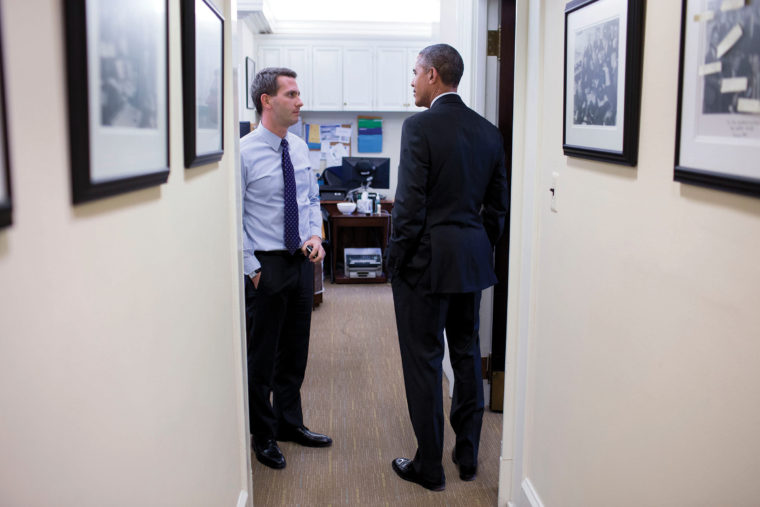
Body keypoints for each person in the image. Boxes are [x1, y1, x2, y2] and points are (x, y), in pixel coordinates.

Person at [385, 44, 508, 491]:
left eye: (415, 72)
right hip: (470, 264)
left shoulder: (419, 127)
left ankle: (430, 468)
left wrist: (394, 262)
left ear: (433, 75)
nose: (412, 81)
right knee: (467, 355)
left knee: (423, 363)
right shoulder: (489, 132)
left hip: (423, 267)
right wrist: (476, 246)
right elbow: (497, 208)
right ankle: (468, 454)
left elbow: (410, 207)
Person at [241, 67, 332, 470]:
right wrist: (252, 268)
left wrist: (316, 236)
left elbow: (311, 200)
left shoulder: (298, 147)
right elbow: (234, 216)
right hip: (266, 265)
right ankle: (262, 434)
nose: (299, 101)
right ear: (267, 100)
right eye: (291, 94)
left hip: (300, 262)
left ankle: (288, 423)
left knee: (295, 351)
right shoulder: (243, 153)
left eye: (298, 94)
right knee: (263, 356)